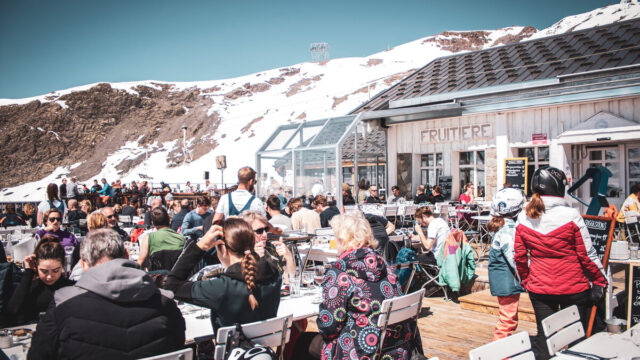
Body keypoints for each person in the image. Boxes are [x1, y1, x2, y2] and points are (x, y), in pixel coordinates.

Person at [28, 229, 185, 359]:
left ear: (83, 264)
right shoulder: (164, 301)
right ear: (126, 254)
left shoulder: (63, 302)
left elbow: (38, 354)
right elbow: (178, 345)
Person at [293, 213, 419, 359]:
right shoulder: (385, 266)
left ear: (342, 239)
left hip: (361, 352)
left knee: (302, 341)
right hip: (397, 347)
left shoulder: (340, 272)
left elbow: (328, 327)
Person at [515, 167, 606, 359]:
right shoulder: (571, 215)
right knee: (577, 338)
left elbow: (519, 257)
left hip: (540, 288)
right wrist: (600, 281)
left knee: (545, 337)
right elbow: (587, 254)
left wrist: (526, 280)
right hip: (573, 287)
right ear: (559, 188)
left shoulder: (524, 217)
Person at [165, 218, 281, 333]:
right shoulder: (274, 274)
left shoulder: (222, 287)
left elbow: (171, 286)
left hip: (233, 350)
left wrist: (199, 247)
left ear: (224, 250)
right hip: (264, 347)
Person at [6, 237, 74, 324]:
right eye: (44, 271)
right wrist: (29, 272)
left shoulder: (72, 288)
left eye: (55, 271)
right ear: (36, 266)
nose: (49, 276)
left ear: (62, 266)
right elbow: (12, 310)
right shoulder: (30, 288)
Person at [487, 188, 526, 340]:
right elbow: (514, 258)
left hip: (504, 281)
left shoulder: (502, 227)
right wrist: (526, 277)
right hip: (507, 282)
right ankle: (499, 353)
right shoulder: (508, 230)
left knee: (508, 319)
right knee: (507, 321)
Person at [240, 211, 295, 277]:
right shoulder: (240, 253)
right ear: (247, 233)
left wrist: (288, 256)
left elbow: (289, 279)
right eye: (259, 231)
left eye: (266, 229)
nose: (265, 234)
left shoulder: (269, 247)